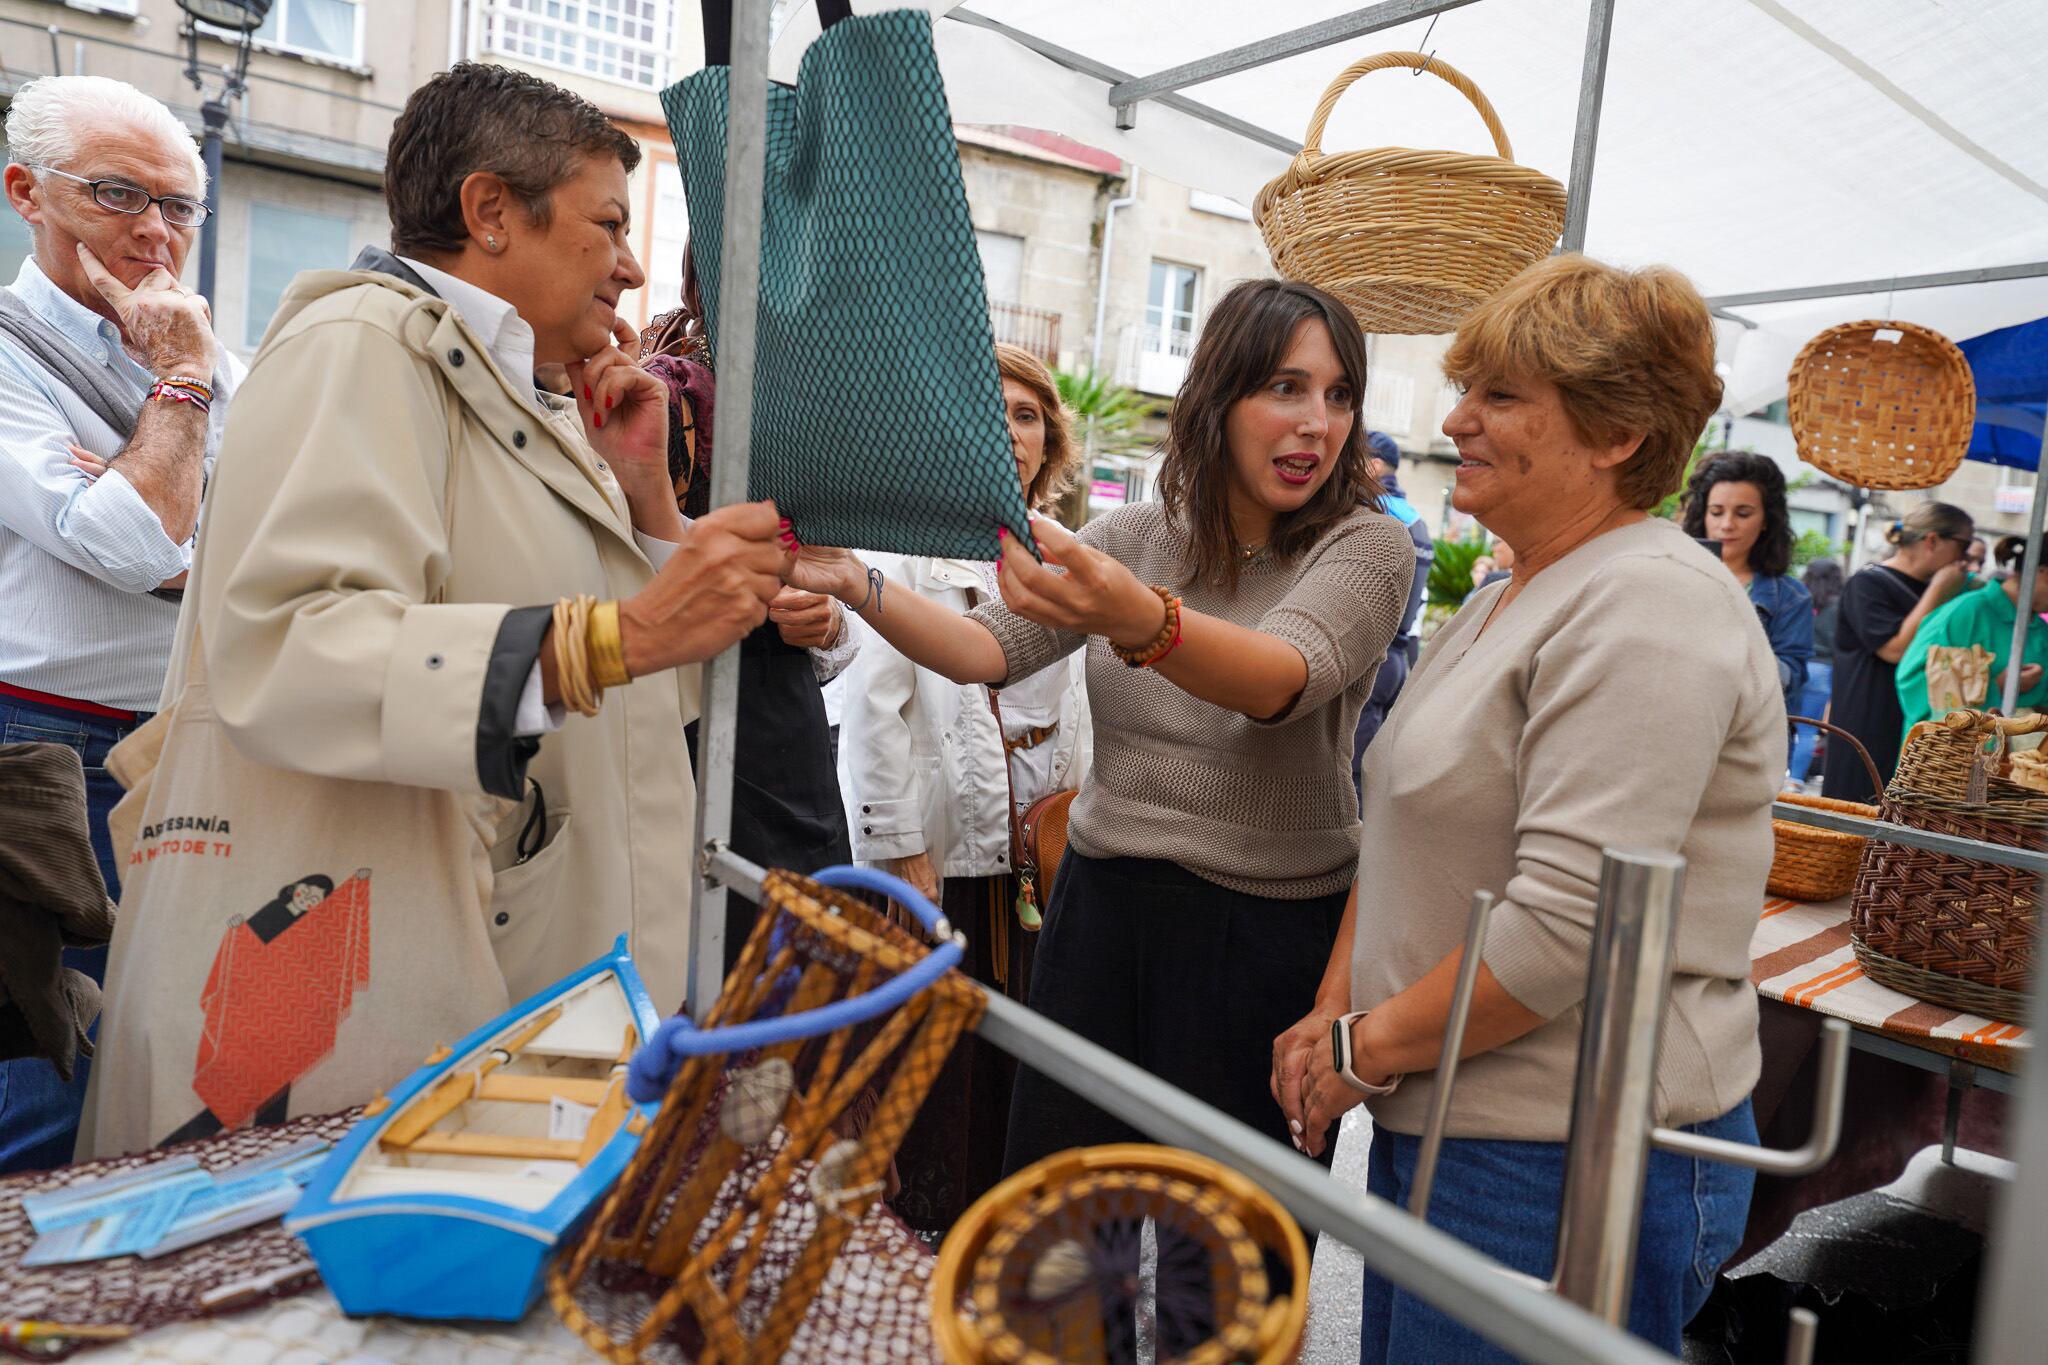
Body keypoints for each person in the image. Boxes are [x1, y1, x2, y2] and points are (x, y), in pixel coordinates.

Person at [78, 63, 790, 1158]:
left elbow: (637, 697)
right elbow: (295, 648)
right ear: (491, 211)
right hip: (381, 970)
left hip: (532, 966)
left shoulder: (516, 396)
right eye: (608, 223)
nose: (633, 264)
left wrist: (645, 494)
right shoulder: (360, 343)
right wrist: (628, 631)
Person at [790, 278, 1415, 1171]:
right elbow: (982, 650)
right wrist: (860, 584)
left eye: (1339, 393)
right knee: (1062, 1227)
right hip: (1100, 906)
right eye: (1285, 387)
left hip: (1264, 928)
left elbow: (1279, 678)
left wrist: (1138, 619)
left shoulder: (1365, 545)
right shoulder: (1134, 535)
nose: (1317, 421)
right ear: (1218, 395)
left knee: (1223, 1253)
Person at [1274, 255, 1778, 1361]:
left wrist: (1356, 1048)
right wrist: (1336, 1016)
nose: (1455, 417)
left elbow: (1561, 929)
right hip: (1452, 1112)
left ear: (1616, 435)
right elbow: (1402, 828)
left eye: (1499, 395)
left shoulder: (1650, 604)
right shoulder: (1512, 594)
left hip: (1566, 1151)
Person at [0, 75, 245, 1174]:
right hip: (44, 756)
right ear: (26, 193)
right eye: (117, 194)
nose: (155, 232)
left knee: (165, 1069)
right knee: (45, 1084)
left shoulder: (205, 346)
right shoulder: (28, 352)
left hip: (186, 750)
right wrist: (183, 391)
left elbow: (258, 548)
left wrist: (160, 501)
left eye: (179, 205)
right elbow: (142, 544)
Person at [841, 341, 1089, 1232]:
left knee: (1024, 1060)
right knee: (939, 1054)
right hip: (947, 853)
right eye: (994, 411)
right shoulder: (903, 548)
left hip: (1043, 852)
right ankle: (927, 1245)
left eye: (1028, 416)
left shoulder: (1061, 552)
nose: (1012, 432)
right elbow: (873, 707)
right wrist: (897, 844)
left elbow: (1084, 700)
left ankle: (998, 1232)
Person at [639, 258, 858, 972]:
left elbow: (831, 585)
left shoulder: (807, 411)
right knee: (704, 957)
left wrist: (825, 619)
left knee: (792, 970)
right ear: (702, 284)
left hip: (782, 726)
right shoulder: (667, 395)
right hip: (681, 714)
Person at [1823, 502, 1974, 802]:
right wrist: (1938, 592)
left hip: (1913, 723)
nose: (1966, 557)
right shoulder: (1869, 583)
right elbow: (1894, 649)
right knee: (1853, 816)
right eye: (1963, 545)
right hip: (1867, 724)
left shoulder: (1937, 589)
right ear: (1932, 540)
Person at [1679, 450, 1812, 721]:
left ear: (1766, 520)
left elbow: (1789, 678)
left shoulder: (1791, 597)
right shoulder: (1674, 575)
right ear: (1702, 515)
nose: (1726, 525)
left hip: (1745, 735)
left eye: (1743, 513)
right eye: (1716, 512)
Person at [1896, 535, 2048, 733]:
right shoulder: (1968, 612)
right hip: (1951, 756)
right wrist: (1996, 686)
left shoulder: (2039, 628)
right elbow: (1913, 681)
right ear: (2044, 574)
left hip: (2016, 760)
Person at [1351, 430, 1433, 789]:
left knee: (1353, 779)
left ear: (1375, 465)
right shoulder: (1416, 519)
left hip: (1370, 661)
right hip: (1396, 660)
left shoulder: (1375, 513)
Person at [1789, 558, 1842, 781]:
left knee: (1784, 725)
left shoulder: (1796, 597)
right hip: (1823, 670)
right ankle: (1795, 781)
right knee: (1808, 730)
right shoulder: (1839, 604)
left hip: (1794, 665)